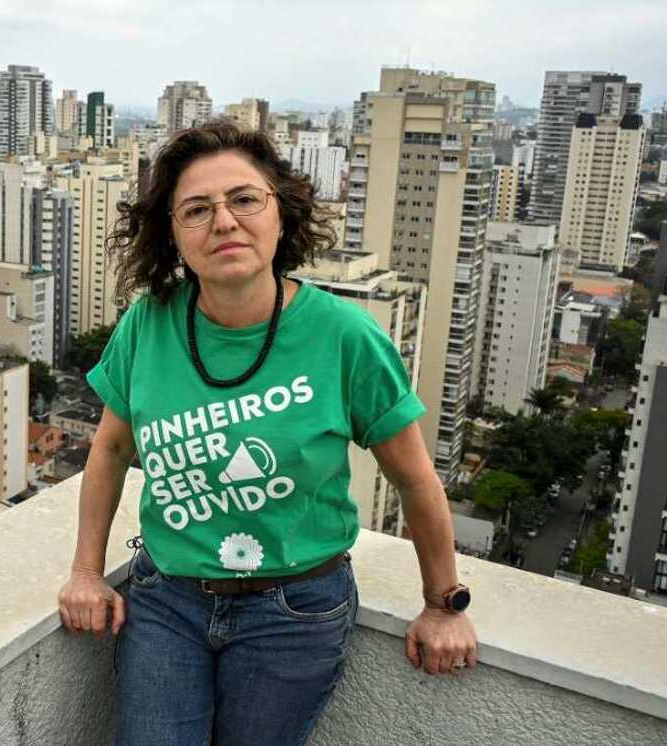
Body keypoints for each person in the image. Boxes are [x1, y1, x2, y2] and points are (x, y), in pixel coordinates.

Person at [57, 121, 478, 745]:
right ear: (172, 234)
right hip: (166, 600)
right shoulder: (147, 325)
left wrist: (443, 603)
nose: (223, 221)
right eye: (196, 209)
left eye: (244, 200)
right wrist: (87, 572)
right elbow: (113, 449)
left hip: (296, 610)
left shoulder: (345, 336)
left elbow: (415, 479)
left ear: (282, 214)